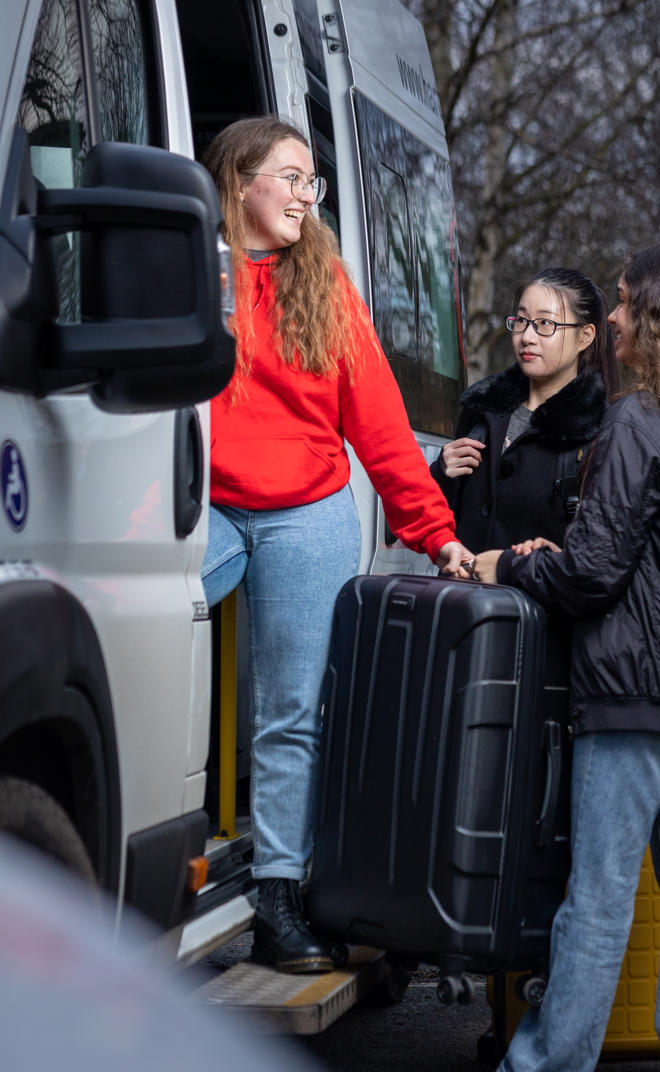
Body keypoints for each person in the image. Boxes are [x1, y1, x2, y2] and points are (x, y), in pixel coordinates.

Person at [474, 240, 660, 1072]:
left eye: (630, 304)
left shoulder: (636, 419)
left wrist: (515, 563)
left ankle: (542, 1067)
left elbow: (596, 572)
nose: (617, 322)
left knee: (596, 905)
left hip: (634, 698)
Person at [199, 116, 473, 974]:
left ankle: (278, 896)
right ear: (238, 179)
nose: (303, 193)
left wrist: (436, 534)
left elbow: (382, 424)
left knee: (289, 713)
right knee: (140, 633)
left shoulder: (325, 282)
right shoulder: (190, 268)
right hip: (198, 502)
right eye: (287, 176)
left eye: (310, 181)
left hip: (305, 513)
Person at [430, 266, 617, 551]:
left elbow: (599, 558)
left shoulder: (601, 432)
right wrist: (441, 474)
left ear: (585, 336)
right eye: (521, 320)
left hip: (534, 595)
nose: (527, 336)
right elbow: (431, 521)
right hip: (460, 592)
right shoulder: (482, 409)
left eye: (545, 324)